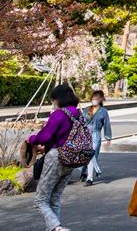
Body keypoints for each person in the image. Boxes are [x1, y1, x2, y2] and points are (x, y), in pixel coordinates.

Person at [27, 84, 83, 231]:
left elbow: (44, 136)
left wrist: (31, 139)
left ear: (58, 99)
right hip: (71, 158)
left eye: (53, 100)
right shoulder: (78, 114)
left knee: (40, 200)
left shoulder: (59, 114)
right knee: (55, 199)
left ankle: (56, 228)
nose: (53, 103)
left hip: (56, 158)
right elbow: (65, 136)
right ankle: (55, 228)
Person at [80, 90, 112, 186]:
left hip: (96, 135)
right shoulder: (86, 109)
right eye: (93, 98)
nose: (94, 100)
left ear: (101, 99)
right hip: (85, 135)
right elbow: (81, 123)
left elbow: (107, 124)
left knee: (92, 156)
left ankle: (90, 178)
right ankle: (83, 171)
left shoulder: (103, 111)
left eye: (96, 98)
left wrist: (108, 137)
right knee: (84, 156)